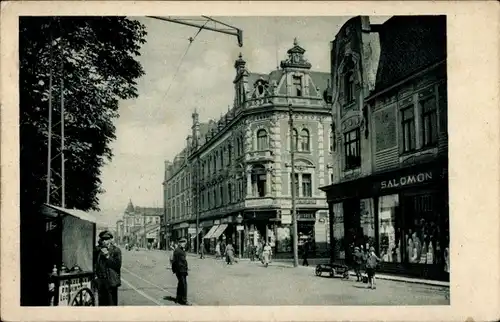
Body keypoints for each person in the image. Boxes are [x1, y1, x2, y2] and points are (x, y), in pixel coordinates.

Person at [95, 231, 122, 306]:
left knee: (111, 304)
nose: (104, 241)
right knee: (102, 304)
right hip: (101, 281)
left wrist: (107, 256)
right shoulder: (99, 250)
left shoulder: (116, 250)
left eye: (106, 239)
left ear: (110, 240)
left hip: (111, 281)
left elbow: (117, 265)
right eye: (103, 239)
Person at [171, 238, 190, 305]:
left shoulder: (180, 250)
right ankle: (184, 300)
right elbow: (175, 261)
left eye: (184, 243)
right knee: (184, 284)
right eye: (182, 243)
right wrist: (176, 270)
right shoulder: (178, 251)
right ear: (179, 243)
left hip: (182, 270)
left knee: (180, 284)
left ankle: (178, 298)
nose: (184, 244)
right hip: (181, 270)